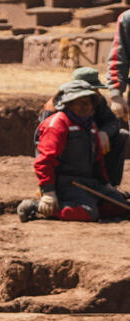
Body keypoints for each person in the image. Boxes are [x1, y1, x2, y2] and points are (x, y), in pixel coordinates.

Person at [25, 82, 129, 222]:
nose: (85, 107)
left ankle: (87, 206)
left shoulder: (89, 124)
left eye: (88, 103)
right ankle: (38, 208)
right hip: (67, 184)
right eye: (80, 102)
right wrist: (48, 192)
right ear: (68, 104)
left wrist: (106, 185)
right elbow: (44, 161)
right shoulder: (58, 124)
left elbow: (98, 161)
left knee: (122, 206)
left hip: (88, 183)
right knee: (89, 212)